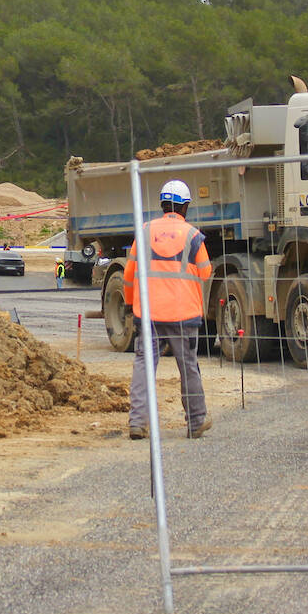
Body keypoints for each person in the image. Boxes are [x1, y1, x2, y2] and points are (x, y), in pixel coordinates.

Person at [125, 179, 213, 440]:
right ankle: (196, 421)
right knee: (188, 367)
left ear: (163, 204)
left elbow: (129, 274)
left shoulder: (144, 232)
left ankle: (137, 423)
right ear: (185, 207)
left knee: (143, 366)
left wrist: (131, 304)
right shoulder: (193, 235)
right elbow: (205, 272)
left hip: (149, 314)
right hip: (183, 314)